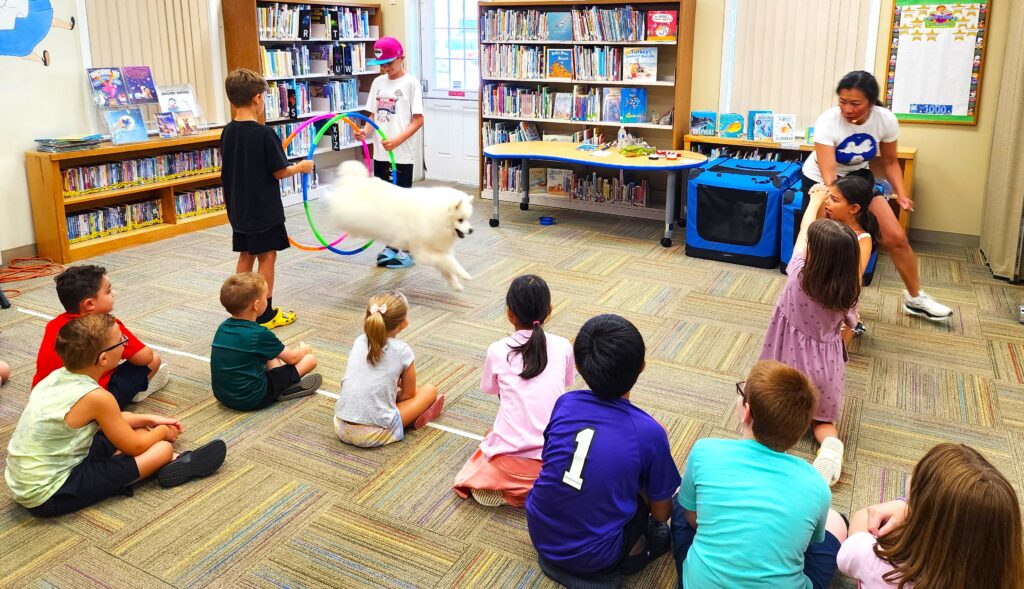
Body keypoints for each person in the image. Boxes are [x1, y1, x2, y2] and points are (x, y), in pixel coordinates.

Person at [5, 314, 226, 517]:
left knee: (139, 430)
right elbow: (135, 446)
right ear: (103, 359)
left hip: (29, 476)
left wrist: (150, 420)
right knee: (162, 449)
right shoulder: (97, 397)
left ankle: (157, 463)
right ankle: (170, 460)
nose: (125, 344)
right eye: (121, 341)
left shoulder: (55, 377)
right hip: (50, 493)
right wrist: (162, 432)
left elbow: (111, 420)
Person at [526, 314, 678, 587]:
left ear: (580, 366)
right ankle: (636, 553)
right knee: (651, 498)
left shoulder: (565, 403)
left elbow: (550, 459)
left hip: (540, 533)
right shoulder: (649, 431)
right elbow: (661, 514)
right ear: (642, 366)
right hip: (596, 557)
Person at [671, 360, 847, 589]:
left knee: (681, 496)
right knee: (836, 521)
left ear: (746, 412)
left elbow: (692, 519)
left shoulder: (705, 451)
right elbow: (807, 545)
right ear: (802, 428)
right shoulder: (816, 484)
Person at [802, 70, 951, 321]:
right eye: (843, 101)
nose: (847, 109)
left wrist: (901, 194)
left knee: (896, 237)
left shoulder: (885, 120)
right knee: (824, 243)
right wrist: (837, 205)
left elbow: (890, 161)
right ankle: (815, 304)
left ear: (871, 102)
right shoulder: (828, 121)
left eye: (855, 103)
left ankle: (915, 298)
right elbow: (829, 174)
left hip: (859, 178)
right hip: (823, 180)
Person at [761, 185, 861, 487]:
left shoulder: (798, 274)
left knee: (775, 408)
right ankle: (830, 449)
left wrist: (815, 200)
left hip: (787, 363)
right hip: (825, 368)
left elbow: (805, 232)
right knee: (823, 422)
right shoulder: (849, 291)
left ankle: (767, 454)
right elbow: (849, 327)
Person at [453, 275, 575, 507]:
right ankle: (538, 492)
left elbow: (491, 389)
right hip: (553, 460)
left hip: (508, 464)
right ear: (550, 310)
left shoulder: (497, 349)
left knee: (488, 442)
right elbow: (565, 385)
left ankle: (509, 489)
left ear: (509, 313)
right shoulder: (563, 346)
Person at [838, 443, 1024, 589]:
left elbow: (857, 529)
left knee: (837, 521)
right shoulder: (1011, 575)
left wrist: (904, 507)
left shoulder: (877, 561)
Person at [221, 68, 314, 329]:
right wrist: (301, 167)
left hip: (239, 208)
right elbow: (280, 171)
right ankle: (265, 314)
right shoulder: (264, 134)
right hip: (263, 209)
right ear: (258, 98)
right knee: (267, 257)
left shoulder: (228, 131)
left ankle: (240, 311)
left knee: (246, 255)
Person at [32, 265, 168, 409]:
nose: (114, 293)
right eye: (108, 291)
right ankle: (132, 393)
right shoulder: (108, 328)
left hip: (42, 400)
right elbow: (145, 358)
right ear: (89, 304)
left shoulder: (53, 324)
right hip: (89, 405)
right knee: (154, 359)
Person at [334, 291, 444, 447]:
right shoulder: (403, 350)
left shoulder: (359, 341)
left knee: (381, 395)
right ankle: (410, 418)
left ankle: (401, 413)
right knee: (430, 390)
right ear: (404, 323)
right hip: (372, 434)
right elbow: (409, 394)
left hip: (340, 426)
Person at [353, 36, 425, 269]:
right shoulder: (378, 83)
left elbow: (418, 120)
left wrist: (397, 141)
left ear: (402, 58)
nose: (386, 67)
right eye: (382, 64)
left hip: (401, 155)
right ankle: (392, 245)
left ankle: (407, 248)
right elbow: (373, 115)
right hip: (380, 154)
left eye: (390, 63)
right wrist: (365, 132)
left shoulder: (411, 84)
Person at [210, 272, 321, 411]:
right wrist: (304, 349)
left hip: (223, 396)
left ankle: (281, 383)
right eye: (265, 296)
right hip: (252, 399)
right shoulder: (259, 334)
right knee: (310, 360)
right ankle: (285, 389)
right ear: (256, 305)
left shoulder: (223, 327)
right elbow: (292, 358)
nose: (267, 300)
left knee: (270, 353)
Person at [818, 175, 877, 343]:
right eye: (828, 196)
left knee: (837, 345)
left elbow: (855, 277)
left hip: (841, 295)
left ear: (854, 208)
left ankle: (853, 324)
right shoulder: (828, 222)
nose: (827, 202)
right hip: (818, 289)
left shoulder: (862, 239)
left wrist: (848, 310)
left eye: (834, 199)